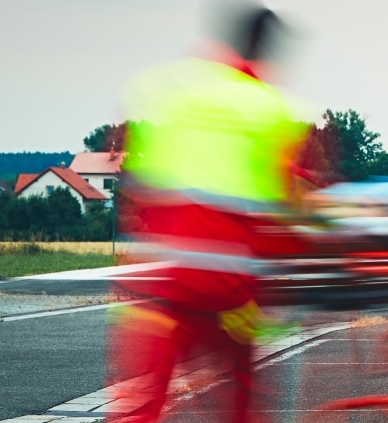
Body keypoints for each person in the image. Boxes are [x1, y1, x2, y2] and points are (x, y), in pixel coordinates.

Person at [107, 3, 313, 422]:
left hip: (166, 288)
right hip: (230, 294)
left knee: (141, 408)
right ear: (268, 50)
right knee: (240, 405)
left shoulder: (168, 91)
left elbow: (140, 186)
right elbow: (286, 208)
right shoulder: (271, 111)